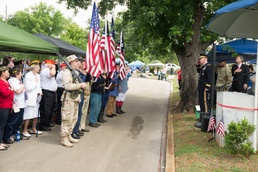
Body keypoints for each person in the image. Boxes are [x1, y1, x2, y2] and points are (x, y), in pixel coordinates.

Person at [60, 55, 86, 148]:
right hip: (68, 99)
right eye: (75, 61)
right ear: (70, 62)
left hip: (74, 98)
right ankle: (64, 138)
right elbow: (67, 86)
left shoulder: (74, 72)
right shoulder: (67, 72)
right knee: (67, 119)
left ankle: (69, 135)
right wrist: (79, 85)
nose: (77, 63)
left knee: (73, 118)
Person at [4, 67, 26, 144]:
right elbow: (18, 90)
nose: (21, 74)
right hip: (16, 104)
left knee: (19, 121)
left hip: (21, 104)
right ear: (17, 73)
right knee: (12, 121)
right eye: (20, 72)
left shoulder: (18, 81)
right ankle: (7, 136)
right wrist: (23, 86)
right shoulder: (12, 80)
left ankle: (15, 134)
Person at [23, 61, 43, 137]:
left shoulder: (38, 75)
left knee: (36, 114)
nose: (39, 68)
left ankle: (34, 129)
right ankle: (25, 130)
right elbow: (28, 88)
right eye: (38, 67)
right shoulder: (28, 75)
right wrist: (35, 83)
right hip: (30, 97)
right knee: (28, 114)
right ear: (33, 68)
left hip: (37, 97)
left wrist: (40, 91)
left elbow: (39, 85)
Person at [39, 60, 58, 131]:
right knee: (46, 109)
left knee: (50, 109)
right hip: (47, 92)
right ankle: (43, 124)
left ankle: (47, 123)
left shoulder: (47, 70)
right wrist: (53, 67)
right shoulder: (45, 70)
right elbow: (52, 73)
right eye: (52, 64)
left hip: (51, 93)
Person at [195, 55, 212, 128]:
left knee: (204, 103)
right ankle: (202, 118)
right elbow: (199, 71)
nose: (199, 60)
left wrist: (207, 86)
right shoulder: (203, 67)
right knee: (201, 102)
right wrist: (198, 65)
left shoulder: (208, 67)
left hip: (205, 88)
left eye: (200, 59)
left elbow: (209, 78)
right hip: (201, 87)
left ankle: (205, 119)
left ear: (205, 59)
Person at [0, 65, 14, 150]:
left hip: (8, 105)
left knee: (3, 124)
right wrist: (11, 90)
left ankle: (1, 141)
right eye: (7, 71)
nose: (9, 73)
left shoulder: (6, 81)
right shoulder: (1, 82)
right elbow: (5, 93)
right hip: (3, 105)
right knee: (1, 125)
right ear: (2, 72)